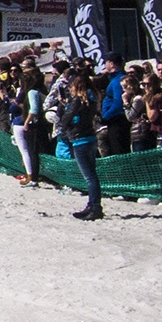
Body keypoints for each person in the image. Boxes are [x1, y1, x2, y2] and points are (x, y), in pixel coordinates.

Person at [63, 73, 103, 220]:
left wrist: (63, 127)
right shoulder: (91, 99)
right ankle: (92, 205)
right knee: (91, 175)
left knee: (90, 177)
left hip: (80, 139)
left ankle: (96, 207)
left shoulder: (77, 100)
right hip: (90, 137)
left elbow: (67, 116)